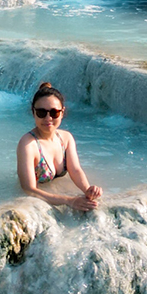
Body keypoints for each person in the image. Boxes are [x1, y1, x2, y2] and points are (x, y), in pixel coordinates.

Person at [16, 82, 102, 212]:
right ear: (33, 112)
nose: (48, 118)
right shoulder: (28, 144)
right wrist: (69, 201)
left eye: (54, 113)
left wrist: (88, 191)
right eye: (41, 112)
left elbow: (75, 170)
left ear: (62, 113)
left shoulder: (66, 138)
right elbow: (29, 189)